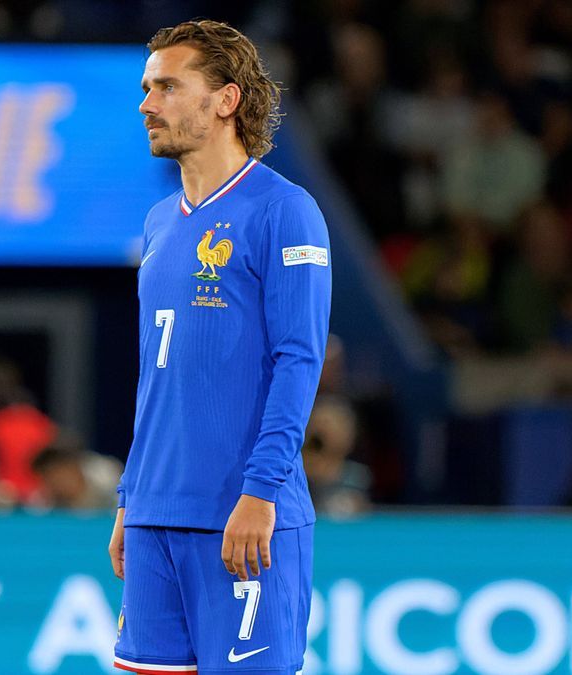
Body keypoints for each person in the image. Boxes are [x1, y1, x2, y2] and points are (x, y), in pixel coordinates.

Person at [110, 20, 331, 675]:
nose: (146, 103)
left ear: (225, 100)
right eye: (148, 88)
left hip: (242, 517)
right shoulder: (157, 222)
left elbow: (300, 361)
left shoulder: (283, 211)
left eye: (167, 87)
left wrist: (261, 492)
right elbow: (161, 373)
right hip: (154, 514)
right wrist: (131, 495)